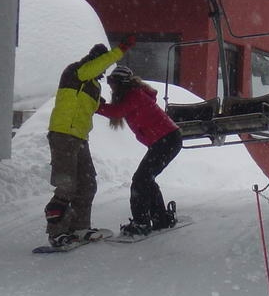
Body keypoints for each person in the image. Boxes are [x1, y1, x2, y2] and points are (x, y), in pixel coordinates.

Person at [44, 37, 135, 247]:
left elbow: (95, 107)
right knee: (66, 185)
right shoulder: (76, 71)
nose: (103, 73)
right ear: (95, 60)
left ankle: (79, 227)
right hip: (63, 134)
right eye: (102, 67)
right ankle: (56, 233)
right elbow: (95, 67)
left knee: (87, 184)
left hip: (80, 137)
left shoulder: (92, 84)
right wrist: (120, 50)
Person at [96, 65, 182, 236]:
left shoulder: (135, 95)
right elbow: (118, 111)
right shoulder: (132, 94)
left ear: (122, 83)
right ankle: (160, 218)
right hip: (165, 140)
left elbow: (117, 112)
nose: (111, 87)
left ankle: (142, 223)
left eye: (113, 83)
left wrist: (94, 106)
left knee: (140, 180)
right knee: (146, 179)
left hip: (167, 140)